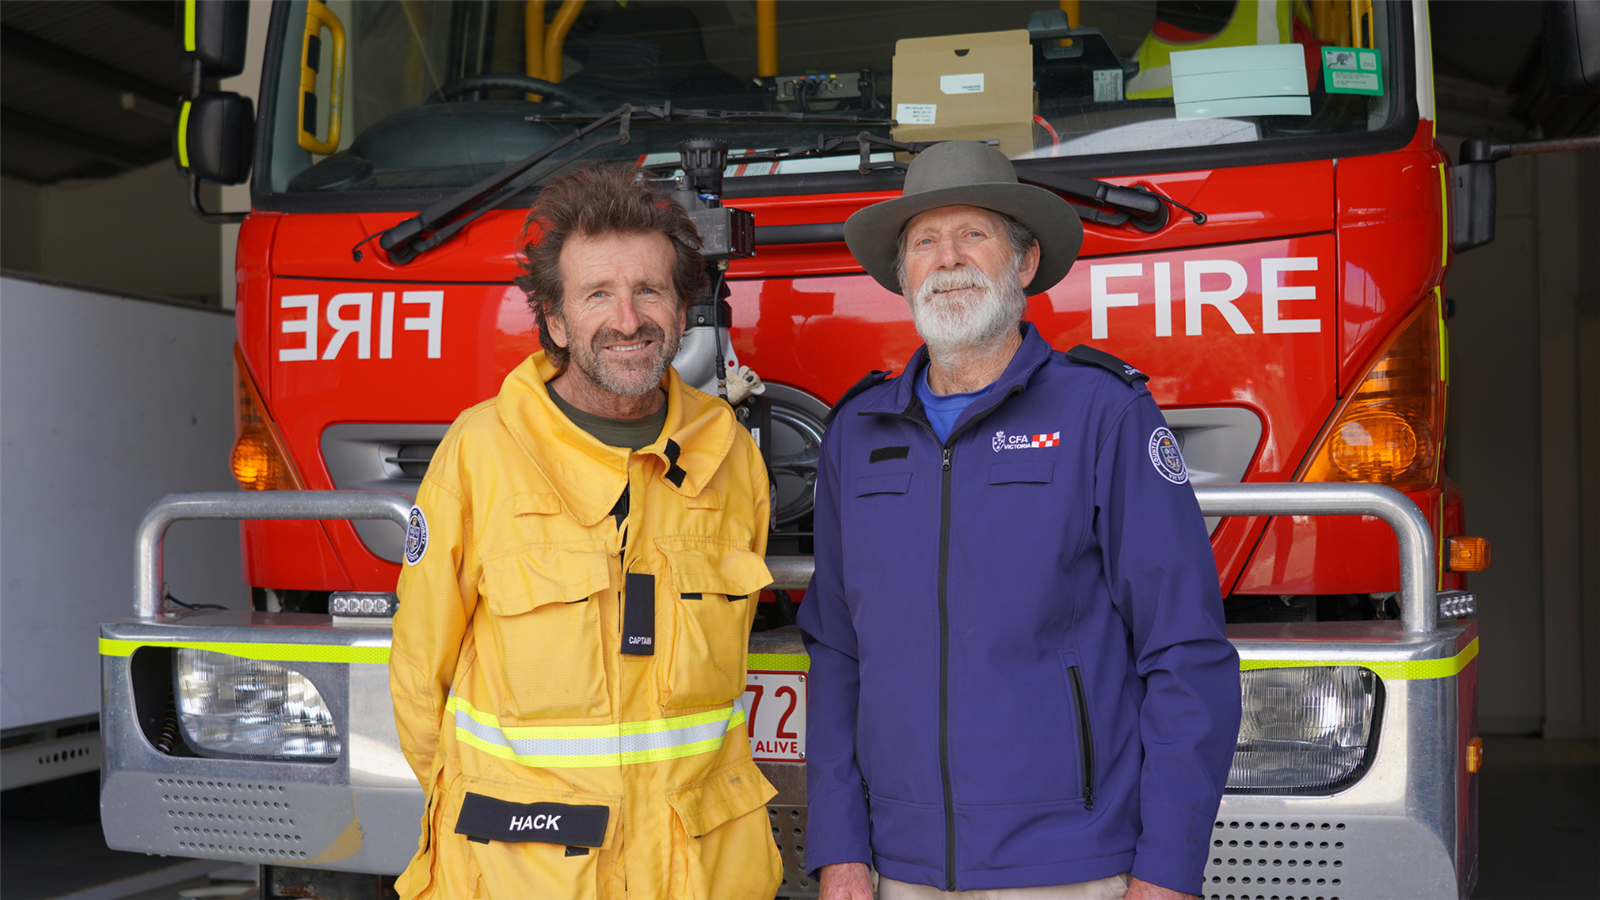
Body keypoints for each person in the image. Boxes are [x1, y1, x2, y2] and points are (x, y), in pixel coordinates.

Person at [798, 141, 1241, 900]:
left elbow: (1185, 653)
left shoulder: (1105, 415)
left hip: (1072, 868)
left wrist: (1166, 871)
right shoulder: (857, 431)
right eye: (925, 242)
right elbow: (838, 654)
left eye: (974, 234)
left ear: (1024, 262)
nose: (949, 260)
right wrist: (838, 848)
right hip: (896, 872)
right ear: (903, 274)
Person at [390, 164, 782, 900]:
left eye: (649, 291)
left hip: (697, 873)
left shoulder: (729, 454)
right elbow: (420, 679)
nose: (628, 319)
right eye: (598, 294)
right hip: (529, 873)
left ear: (682, 306)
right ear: (557, 319)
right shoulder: (479, 455)